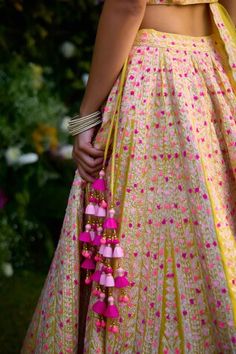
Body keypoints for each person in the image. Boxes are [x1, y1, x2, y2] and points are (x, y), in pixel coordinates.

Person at [22, 0, 236, 353]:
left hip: (156, 78)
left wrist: (86, 117)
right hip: (211, 62)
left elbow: (127, 6)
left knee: (135, 233)